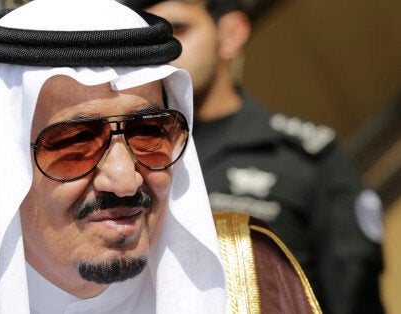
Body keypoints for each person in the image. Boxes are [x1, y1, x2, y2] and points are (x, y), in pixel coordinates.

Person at [0, 0, 321, 312]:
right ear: (4, 163)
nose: (124, 178)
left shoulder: (254, 280)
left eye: (150, 134)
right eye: (73, 143)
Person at [123, 0, 385, 313]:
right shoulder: (120, 158)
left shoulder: (303, 159)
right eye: (149, 34)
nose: (162, 49)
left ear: (230, 34)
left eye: (178, 29)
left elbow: (354, 296)